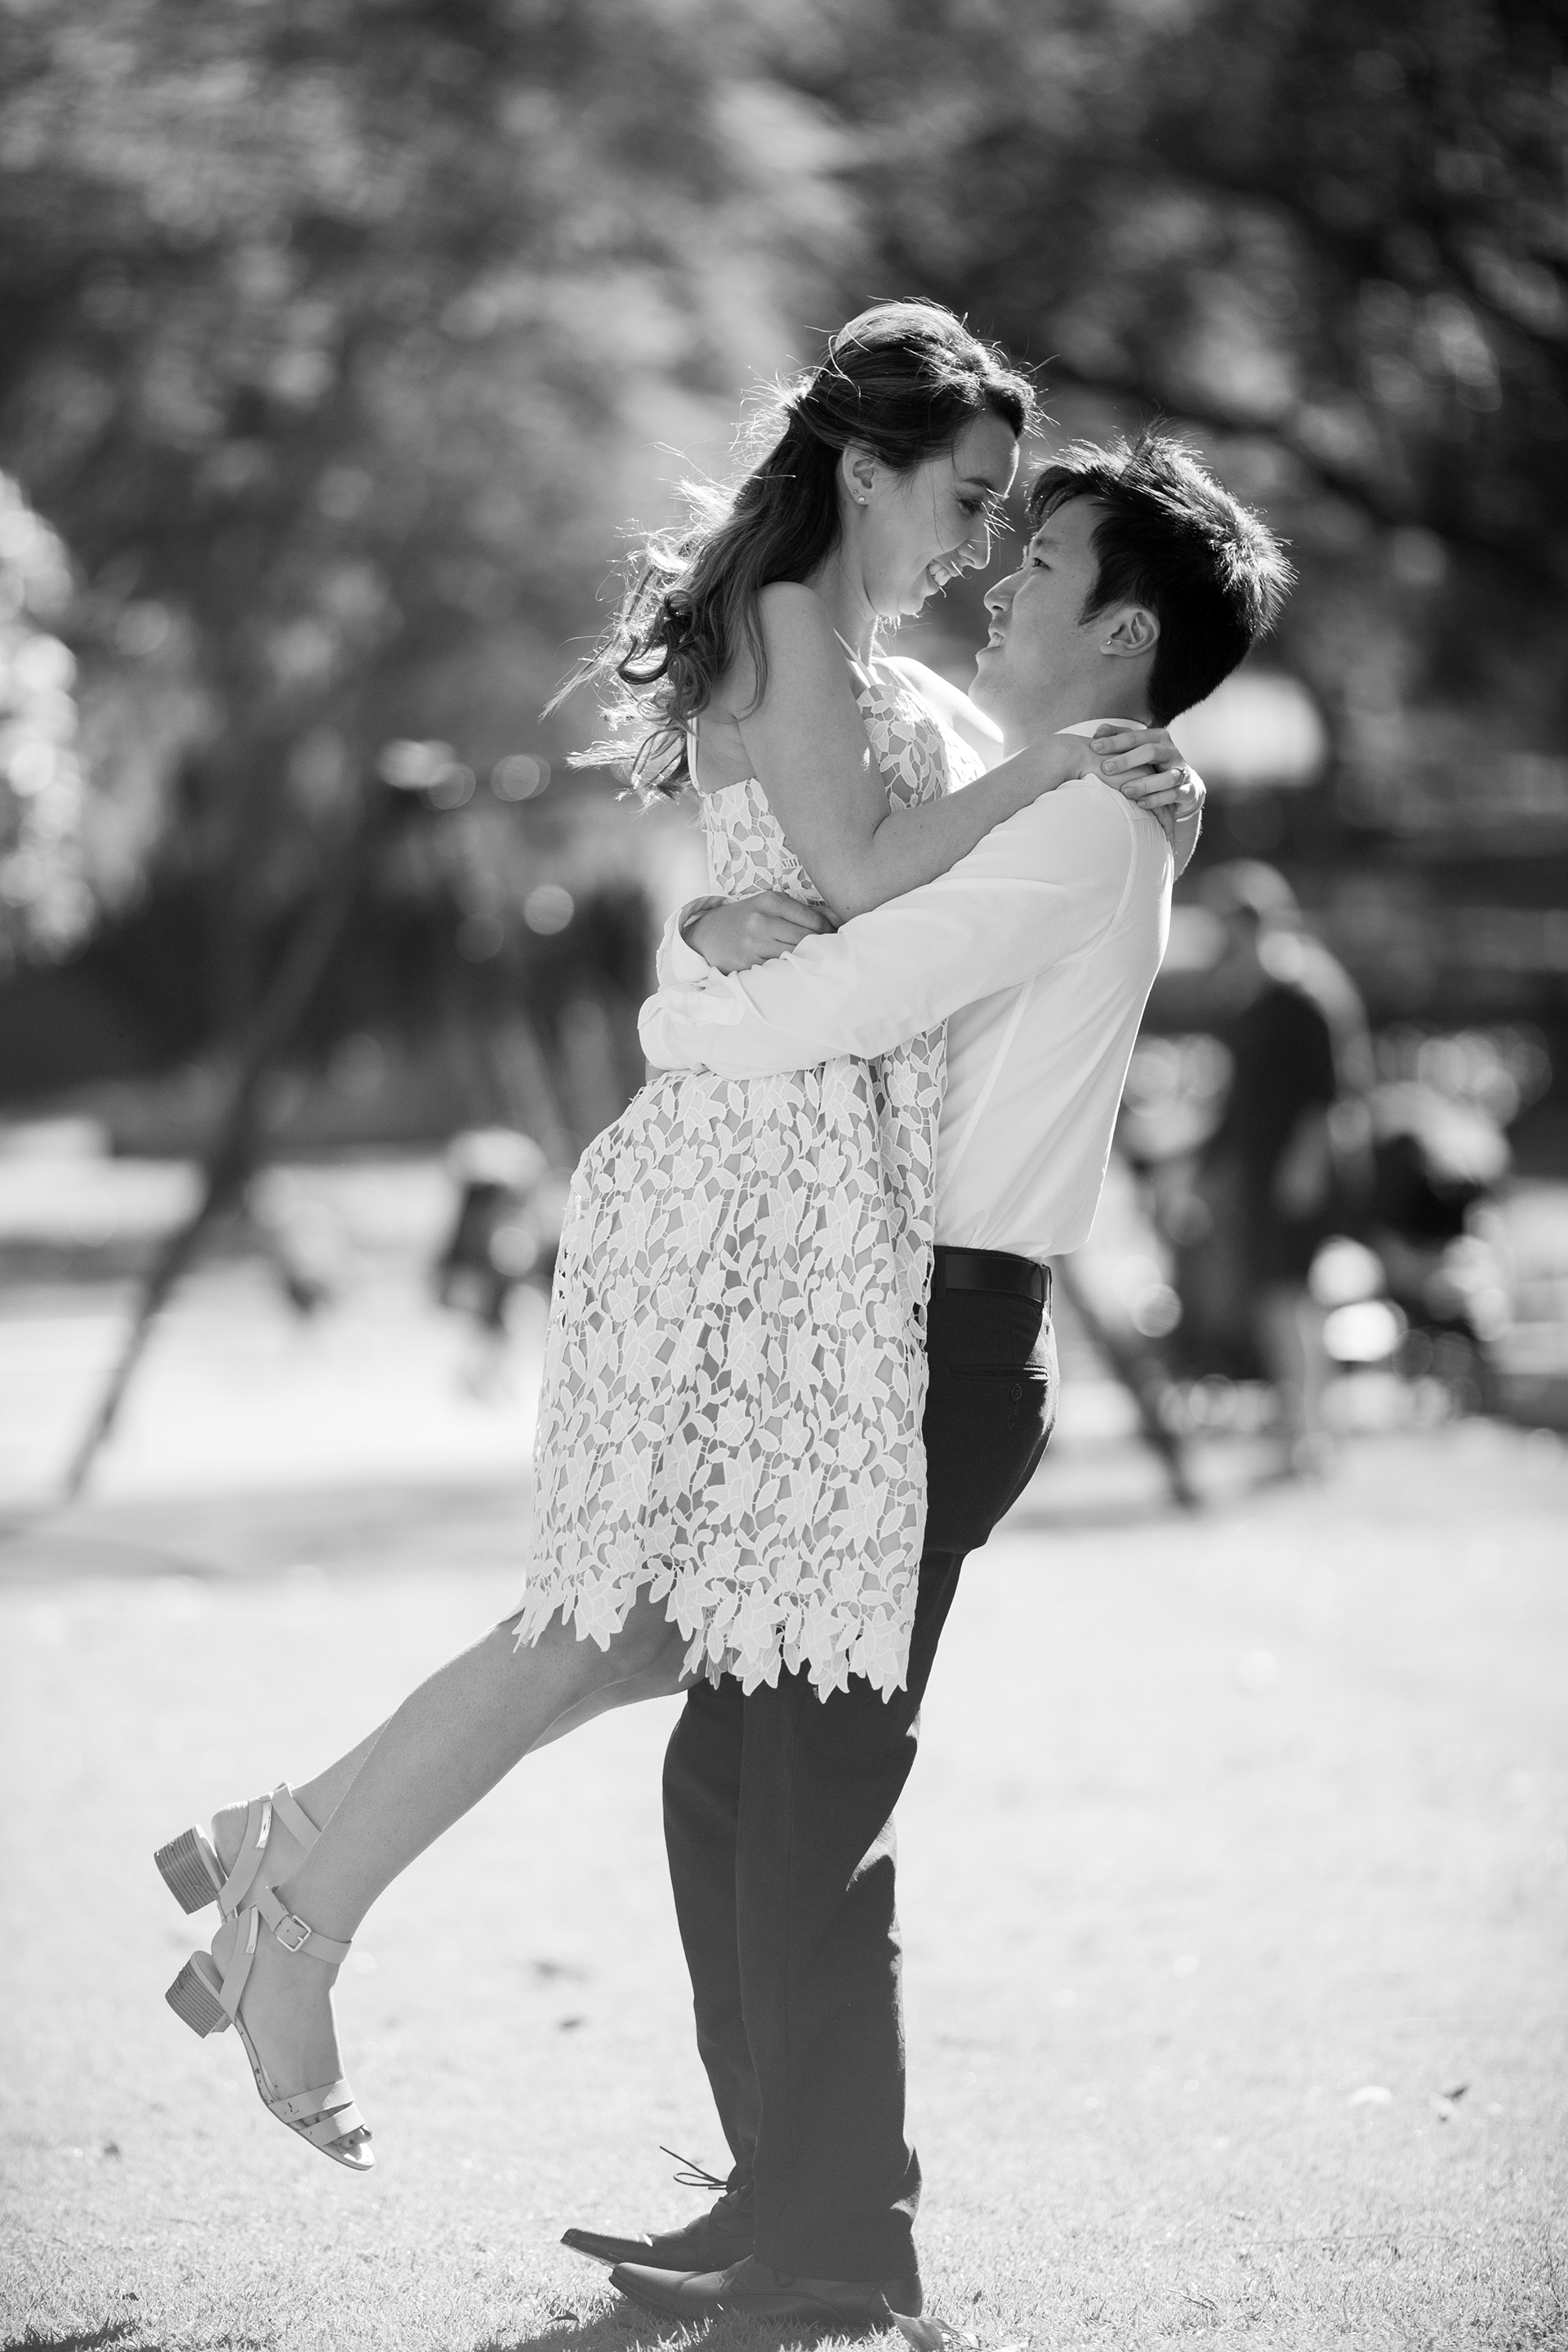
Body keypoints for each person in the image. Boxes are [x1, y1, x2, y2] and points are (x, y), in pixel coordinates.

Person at [155, 306, 1198, 2179]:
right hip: (738, 1186)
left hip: (817, 1196)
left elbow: (913, 849)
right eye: (968, 498)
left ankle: (285, 1861)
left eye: (1007, 519)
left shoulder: (881, 667)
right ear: (865, 471)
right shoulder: (794, 618)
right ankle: (291, 1911)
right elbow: (864, 873)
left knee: (661, 1630)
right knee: (623, 1620)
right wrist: (1044, 781)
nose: (982, 545)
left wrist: (1135, 785)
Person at [573, 434, 1294, 2328]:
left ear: (1124, 631)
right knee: (731, 1773)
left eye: (1043, 563)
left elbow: (843, 990)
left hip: (932, 1339)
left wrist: (679, 1001)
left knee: (803, 1790)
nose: (998, 577)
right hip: (871, 1325)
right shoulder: (1041, 798)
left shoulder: (1082, 826)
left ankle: (837, 2245)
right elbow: (838, 885)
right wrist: (712, 932)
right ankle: (785, 2198)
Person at [1190, 861, 1372, 1473]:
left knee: (1293, 1302)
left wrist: (1305, 1170)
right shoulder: (1253, 1000)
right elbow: (1238, 1103)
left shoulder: (1306, 995)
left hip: (1302, 1175)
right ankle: (1299, 1430)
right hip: (1265, 1176)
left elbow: (1331, 1096)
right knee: (1275, 1303)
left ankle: (1311, 1436)